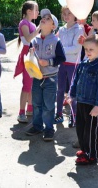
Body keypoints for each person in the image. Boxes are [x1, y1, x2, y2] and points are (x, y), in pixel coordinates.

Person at [25, 9, 66, 141]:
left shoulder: (56, 41)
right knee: (36, 103)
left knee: (48, 105)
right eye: (43, 17)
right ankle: (37, 126)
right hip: (37, 78)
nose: (44, 19)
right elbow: (29, 55)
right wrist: (31, 55)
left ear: (53, 26)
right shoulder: (35, 40)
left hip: (50, 79)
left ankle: (49, 129)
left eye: (48, 18)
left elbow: (62, 58)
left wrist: (47, 62)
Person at [70, 34, 98, 165]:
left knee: (91, 131)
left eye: (91, 49)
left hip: (92, 105)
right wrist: (72, 95)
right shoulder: (83, 64)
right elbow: (76, 80)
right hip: (81, 101)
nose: (88, 52)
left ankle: (92, 154)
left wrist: (97, 106)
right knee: (80, 128)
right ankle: (84, 150)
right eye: (86, 49)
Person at [55, 6, 84, 127]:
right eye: (64, 14)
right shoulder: (61, 29)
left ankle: (74, 115)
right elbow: (58, 45)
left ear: (75, 15)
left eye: (69, 13)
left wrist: (60, 51)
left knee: (72, 91)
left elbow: (76, 49)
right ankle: (59, 114)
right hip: (62, 64)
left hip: (73, 64)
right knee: (60, 89)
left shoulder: (79, 29)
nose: (66, 16)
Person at [14, 1, 40, 123]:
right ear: (29, 11)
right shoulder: (23, 23)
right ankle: (21, 112)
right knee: (27, 84)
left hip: (33, 54)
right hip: (27, 55)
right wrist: (39, 28)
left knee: (32, 84)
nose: (38, 12)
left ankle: (30, 108)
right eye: (36, 10)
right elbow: (29, 38)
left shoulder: (31, 24)